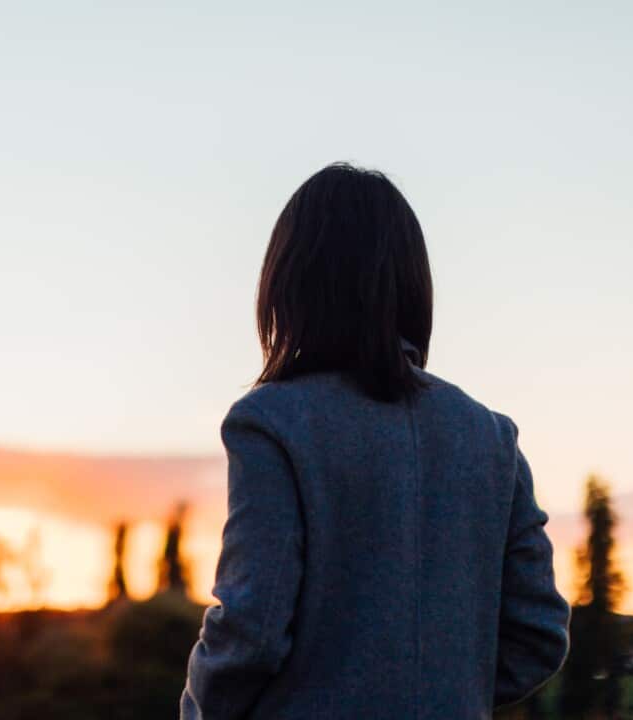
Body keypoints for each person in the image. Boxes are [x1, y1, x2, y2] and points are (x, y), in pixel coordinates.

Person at [179, 163, 570, 719]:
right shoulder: (491, 438)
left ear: (289, 284)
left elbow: (252, 631)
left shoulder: (272, 423)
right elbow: (538, 635)